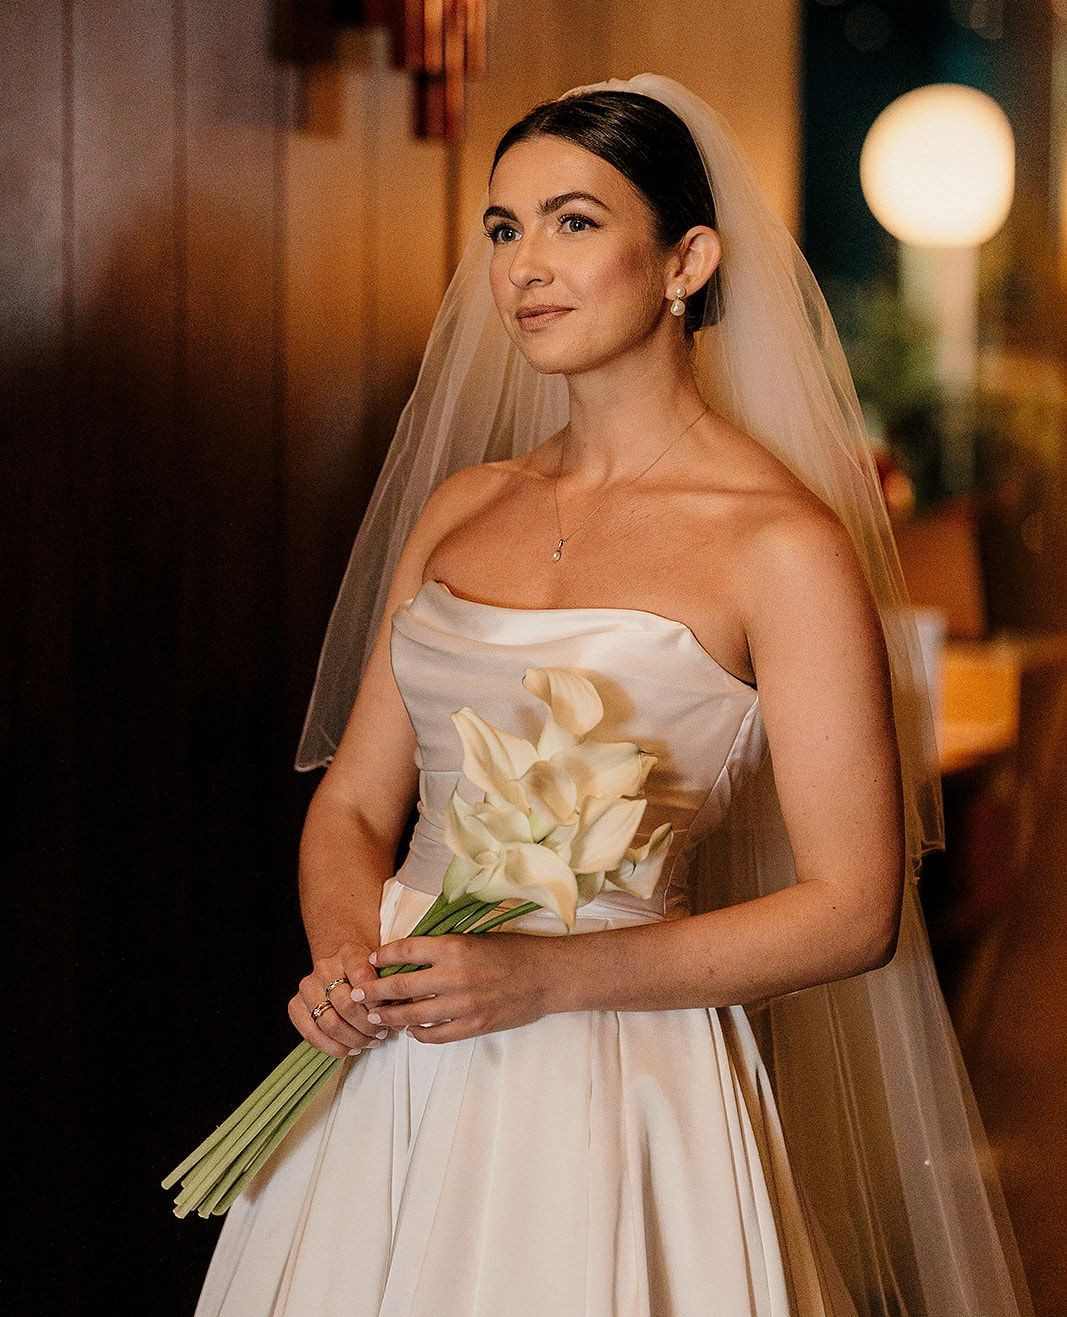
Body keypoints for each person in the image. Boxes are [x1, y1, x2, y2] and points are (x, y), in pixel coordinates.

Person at [194, 75, 1034, 1315]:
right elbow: (357, 805)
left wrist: (537, 981)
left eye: (573, 222)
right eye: (502, 229)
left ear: (685, 258)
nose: (525, 266)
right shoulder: (461, 505)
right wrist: (342, 956)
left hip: (615, 1072)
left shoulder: (778, 545)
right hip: (392, 1065)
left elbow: (852, 910)